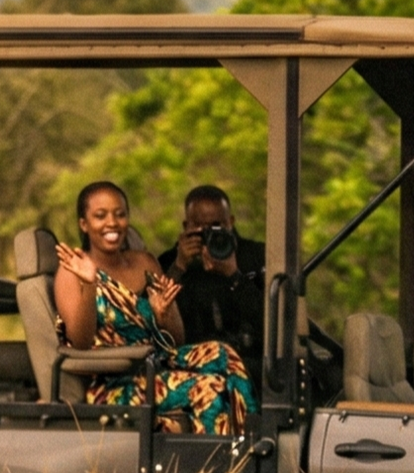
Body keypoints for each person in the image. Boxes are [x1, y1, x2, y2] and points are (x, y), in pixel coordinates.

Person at [55, 180, 253, 435]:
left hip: (158, 364)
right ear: (84, 224)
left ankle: (255, 440)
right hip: (115, 383)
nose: (112, 223)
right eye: (100, 216)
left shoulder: (145, 262)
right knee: (209, 386)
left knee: (224, 355)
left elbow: (176, 339)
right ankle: (216, 467)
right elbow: (79, 342)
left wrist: (164, 315)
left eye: (120, 214)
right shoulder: (72, 271)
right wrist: (90, 284)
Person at [156, 183, 267, 389]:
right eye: (200, 228)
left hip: (252, 365)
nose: (209, 235)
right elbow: (154, 317)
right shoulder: (170, 261)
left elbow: (272, 324)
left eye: (217, 226)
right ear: (186, 227)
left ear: (231, 223)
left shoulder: (256, 256)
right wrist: (179, 267)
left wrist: (234, 275)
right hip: (193, 368)